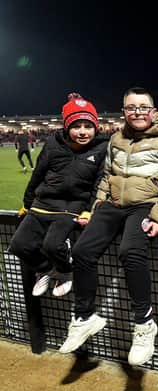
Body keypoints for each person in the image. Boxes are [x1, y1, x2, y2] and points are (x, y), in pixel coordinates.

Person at [59, 87, 158, 366]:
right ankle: (84, 317)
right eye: (131, 108)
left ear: (153, 110)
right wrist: (98, 203)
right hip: (113, 205)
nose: (137, 112)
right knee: (83, 251)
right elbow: (107, 176)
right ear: (124, 111)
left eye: (143, 107)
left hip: (145, 205)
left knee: (130, 252)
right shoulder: (116, 139)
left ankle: (144, 323)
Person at [10, 93, 107, 297]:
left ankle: (65, 272)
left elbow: (100, 182)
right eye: (76, 126)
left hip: (72, 206)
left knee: (52, 245)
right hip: (43, 202)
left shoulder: (101, 148)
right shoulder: (53, 143)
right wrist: (27, 203)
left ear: (95, 127)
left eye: (88, 126)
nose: (82, 132)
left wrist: (89, 211)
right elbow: (38, 173)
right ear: (66, 127)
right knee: (19, 245)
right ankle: (45, 270)